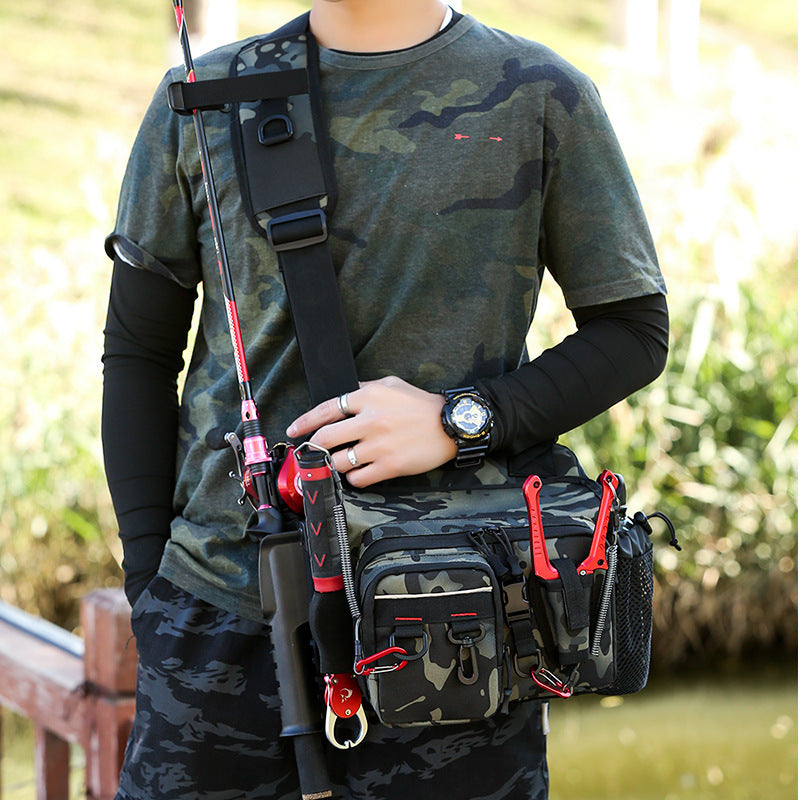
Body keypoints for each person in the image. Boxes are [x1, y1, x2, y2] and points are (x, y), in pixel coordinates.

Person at [102, 1, 669, 798]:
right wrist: (148, 587)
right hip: (218, 611)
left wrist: (460, 420)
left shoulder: (543, 94)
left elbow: (634, 330)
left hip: (456, 614)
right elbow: (138, 355)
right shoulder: (200, 97)